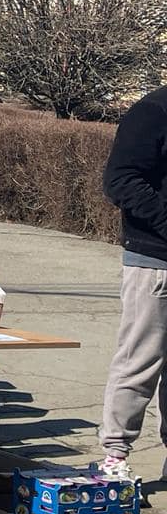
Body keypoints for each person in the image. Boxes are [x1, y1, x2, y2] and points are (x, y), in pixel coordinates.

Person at [100, 85, 167, 480]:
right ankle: (115, 456)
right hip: (154, 261)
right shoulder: (154, 111)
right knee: (140, 362)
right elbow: (120, 181)